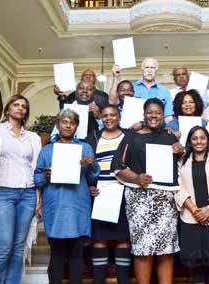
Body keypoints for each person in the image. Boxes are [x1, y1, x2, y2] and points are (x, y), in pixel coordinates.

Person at [111, 98, 184, 284]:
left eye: (158, 113)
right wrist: (136, 178)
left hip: (165, 202)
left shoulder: (170, 136)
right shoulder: (131, 136)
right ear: (144, 114)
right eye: (150, 112)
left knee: (165, 249)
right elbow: (117, 166)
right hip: (139, 199)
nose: (154, 116)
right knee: (143, 249)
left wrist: (181, 151)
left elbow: (182, 169)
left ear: (163, 115)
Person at [34, 109, 100, 284]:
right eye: (64, 121)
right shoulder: (47, 150)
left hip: (78, 205)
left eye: (72, 122)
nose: (68, 125)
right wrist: (46, 176)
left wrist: (92, 164)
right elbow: (38, 179)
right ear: (57, 125)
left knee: (76, 253)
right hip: (55, 205)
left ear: (76, 126)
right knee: (56, 253)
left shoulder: (85, 148)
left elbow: (92, 177)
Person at [0, 94, 42, 284]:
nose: (20, 108)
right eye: (16, 105)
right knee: (3, 246)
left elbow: (36, 168)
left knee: (18, 246)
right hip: (0, 192)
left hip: (27, 193)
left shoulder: (33, 137)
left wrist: (38, 197)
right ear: (8, 109)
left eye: (24, 106)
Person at [175, 126, 209, 284]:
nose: (198, 141)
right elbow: (177, 187)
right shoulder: (181, 162)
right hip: (191, 217)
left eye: (202, 138)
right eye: (194, 138)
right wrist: (194, 210)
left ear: (207, 140)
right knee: (195, 263)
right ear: (189, 141)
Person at [85, 105, 131, 284]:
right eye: (105, 115)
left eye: (113, 115)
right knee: (99, 239)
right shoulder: (92, 139)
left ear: (119, 117)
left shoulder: (129, 137)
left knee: (123, 238)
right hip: (100, 195)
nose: (109, 118)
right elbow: (86, 168)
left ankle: (123, 280)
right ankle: (98, 280)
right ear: (100, 118)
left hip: (124, 193)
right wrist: (89, 186)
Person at [133, 58, 174, 122]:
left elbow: (168, 116)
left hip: (158, 129)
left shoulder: (165, 91)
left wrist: (170, 129)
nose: (149, 70)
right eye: (147, 67)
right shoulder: (132, 88)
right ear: (142, 70)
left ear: (156, 71)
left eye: (152, 68)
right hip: (135, 128)